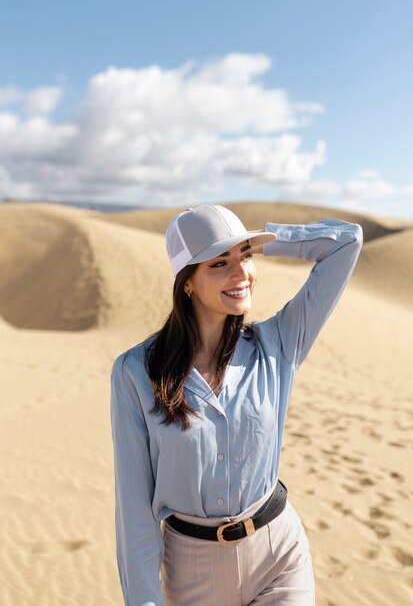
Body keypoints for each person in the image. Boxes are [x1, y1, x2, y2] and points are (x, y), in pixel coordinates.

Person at [110, 204, 363, 606]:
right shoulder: (135, 373)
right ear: (187, 281)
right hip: (192, 573)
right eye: (219, 263)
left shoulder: (277, 344)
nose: (240, 273)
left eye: (244, 257)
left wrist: (260, 242)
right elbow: (134, 511)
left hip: (279, 554)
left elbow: (347, 241)